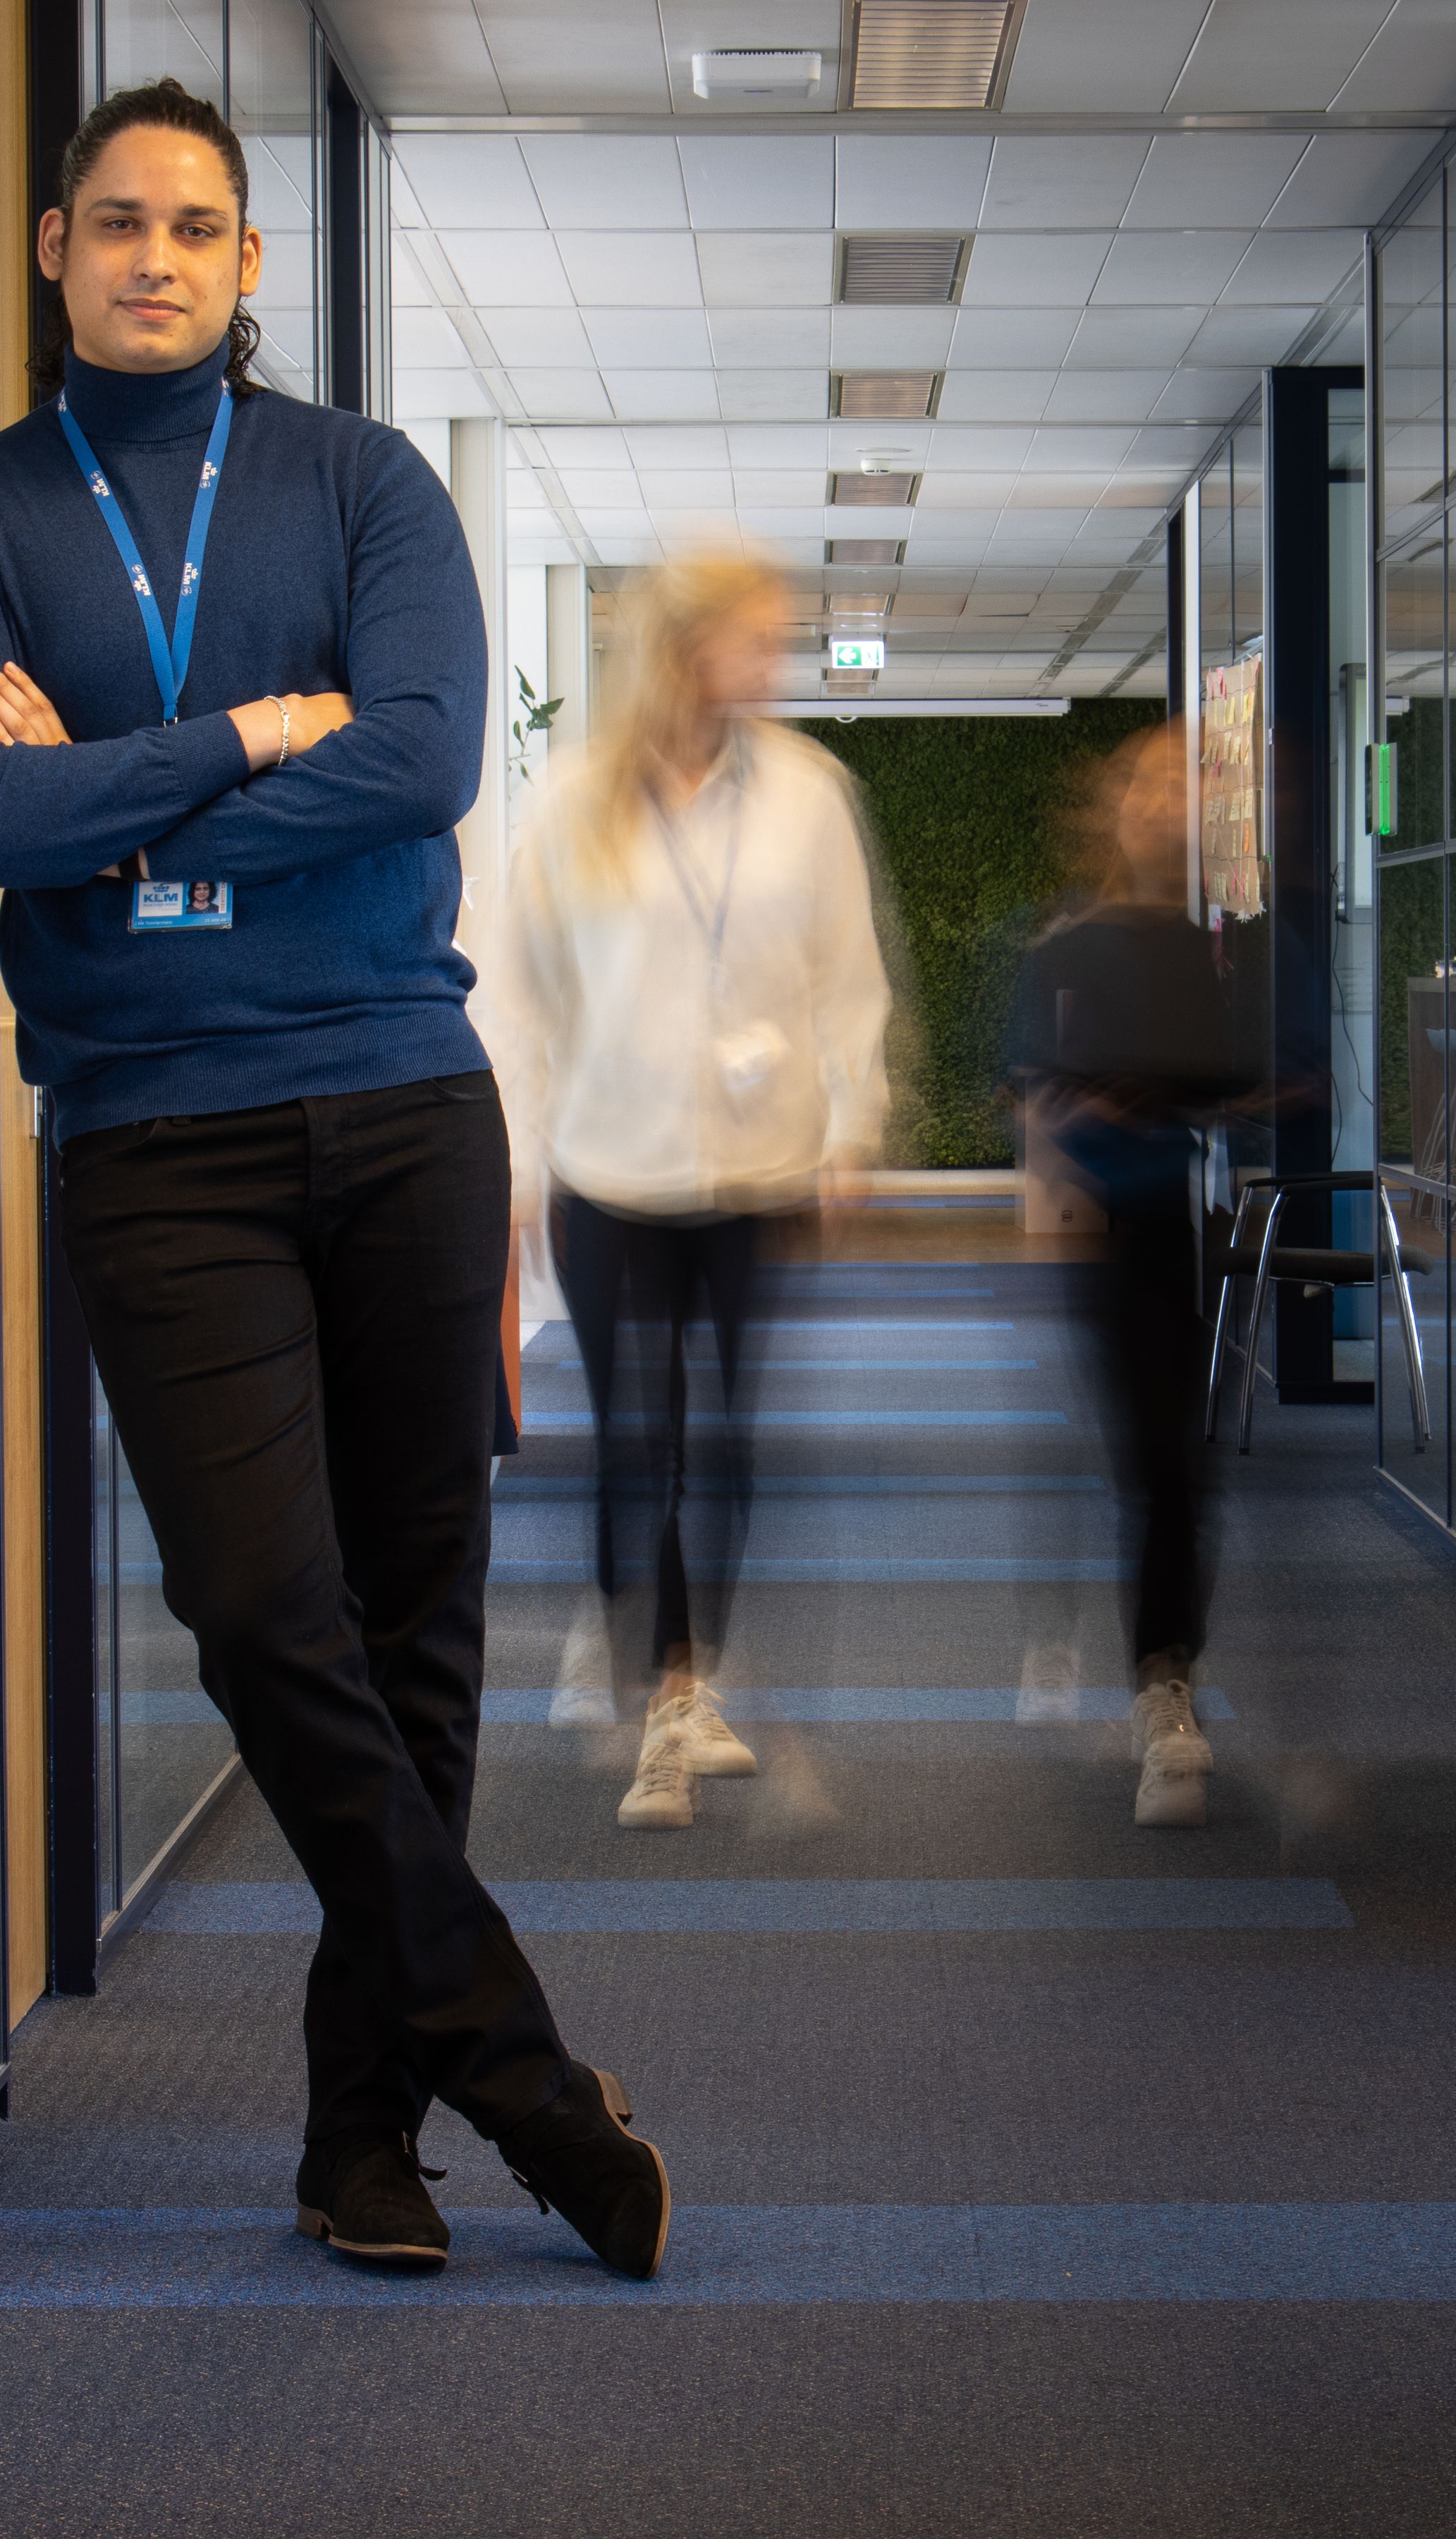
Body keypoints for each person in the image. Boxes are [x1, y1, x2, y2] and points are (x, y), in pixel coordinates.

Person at [0, 78, 668, 2280]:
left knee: (417, 1629)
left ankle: (361, 2140)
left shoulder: (361, 480)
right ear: (54, 248)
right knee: (256, 1612)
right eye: (117, 220)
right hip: (153, 1135)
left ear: (245, 266)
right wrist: (251, 733)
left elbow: (418, 761)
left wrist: (114, 795)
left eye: (197, 227)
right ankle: (521, 2069)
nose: (155, 255)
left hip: (403, 1101)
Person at [477, 553, 891, 1831]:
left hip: (758, 1169)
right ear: (681, 646)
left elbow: (848, 978)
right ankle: (667, 1693)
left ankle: (686, 1670)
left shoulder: (808, 795)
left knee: (729, 1442)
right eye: (750, 639)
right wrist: (518, 1159)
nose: (771, 664)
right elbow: (519, 990)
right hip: (609, 1168)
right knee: (637, 1439)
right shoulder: (576, 798)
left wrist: (853, 1123)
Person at [1008, 723, 1251, 1828]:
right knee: (1154, 1461)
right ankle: (1158, 1686)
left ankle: (1167, 1680)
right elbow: (1038, 1093)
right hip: (1108, 1233)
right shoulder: (1072, 947)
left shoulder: (1212, 948)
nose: (1166, 804)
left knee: (1182, 1469)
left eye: (1182, 788)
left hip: (1188, 1229)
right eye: (1147, 786)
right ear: (1116, 812)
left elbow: (1240, 1082)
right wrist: (1059, 1198)